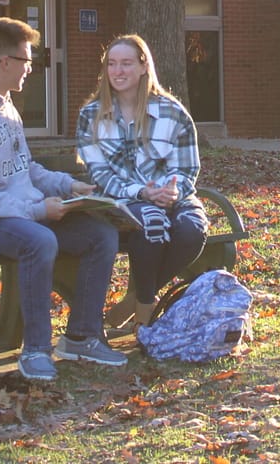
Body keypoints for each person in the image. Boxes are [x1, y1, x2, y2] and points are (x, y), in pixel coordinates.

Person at [0, 17, 127, 381]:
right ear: (3, 62)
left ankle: (82, 336)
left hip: (14, 216)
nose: (31, 69)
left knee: (100, 234)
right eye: (26, 60)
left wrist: (69, 187)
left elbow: (25, 169)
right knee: (39, 241)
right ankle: (36, 351)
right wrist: (38, 210)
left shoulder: (6, 108)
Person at [76, 34, 208, 334]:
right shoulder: (91, 116)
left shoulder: (172, 112)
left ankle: (136, 300)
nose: (118, 71)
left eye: (126, 64)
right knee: (150, 225)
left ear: (143, 67)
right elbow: (100, 175)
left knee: (192, 230)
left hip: (172, 198)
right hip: (122, 200)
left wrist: (172, 191)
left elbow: (187, 168)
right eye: (111, 64)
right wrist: (141, 192)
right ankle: (145, 319)